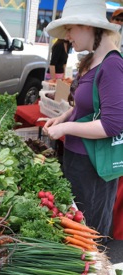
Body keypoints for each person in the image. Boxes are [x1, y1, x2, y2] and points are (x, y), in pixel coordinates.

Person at [43, 0, 123, 239]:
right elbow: (84, 106)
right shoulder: (90, 60)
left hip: (94, 166)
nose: (67, 36)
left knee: (89, 233)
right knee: (75, 224)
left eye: (70, 29)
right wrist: (63, 118)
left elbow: (113, 124)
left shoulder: (112, 65)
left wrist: (67, 127)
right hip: (78, 159)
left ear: (88, 27)